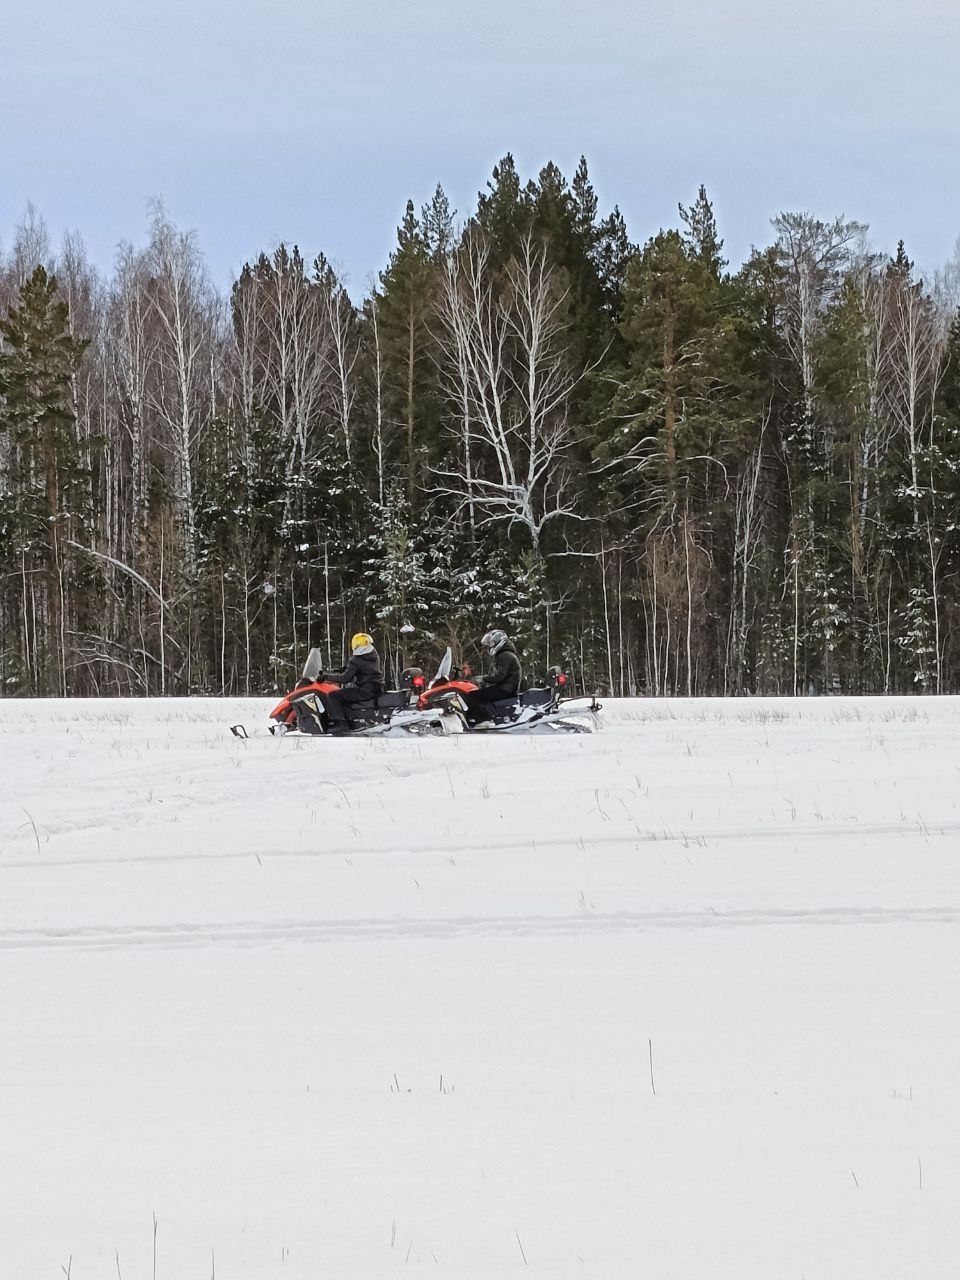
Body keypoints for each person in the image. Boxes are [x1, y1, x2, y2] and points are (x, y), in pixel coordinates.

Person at [323, 632, 384, 734]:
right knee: (345, 696)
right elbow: (364, 667)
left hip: (364, 690)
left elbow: (345, 678)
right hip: (377, 688)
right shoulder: (373, 654)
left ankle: (341, 725)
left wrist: (326, 677)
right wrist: (343, 669)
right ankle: (350, 720)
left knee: (333, 696)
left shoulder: (356, 659)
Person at [462, 629, 522, 725]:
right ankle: (485, 718)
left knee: (472, 696)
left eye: (492, 643)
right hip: (507, 688)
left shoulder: (505, 655)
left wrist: (483, 679)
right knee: (481, 693)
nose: (490, 646)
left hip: (505, 690)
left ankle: (480, 720)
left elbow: (500, 677)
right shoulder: (506, 654)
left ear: (500, 642)